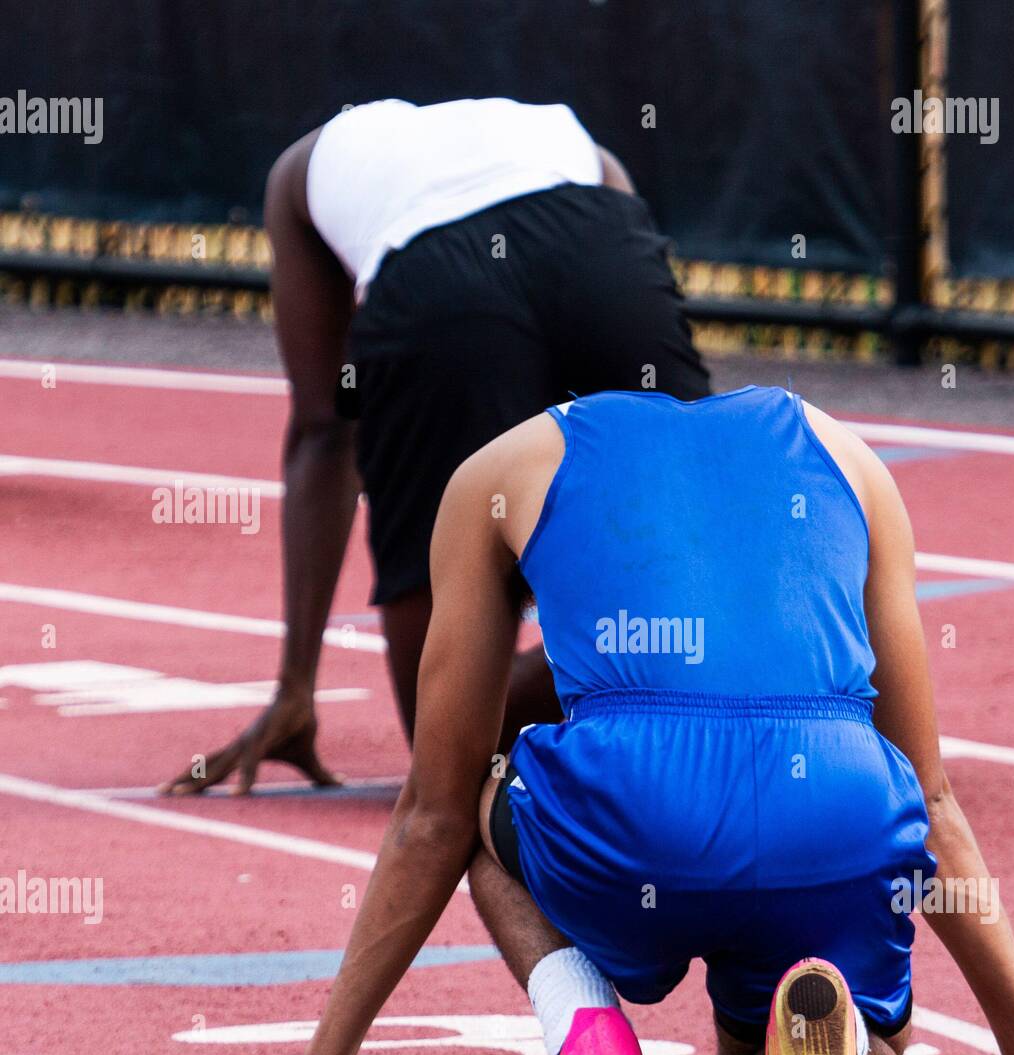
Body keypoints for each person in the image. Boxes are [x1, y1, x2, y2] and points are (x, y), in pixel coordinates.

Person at [175, 386, 1014, 1055]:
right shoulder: (848, 456)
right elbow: (934, 795)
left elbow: (430, 813)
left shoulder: (497, 471)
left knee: (480, 796)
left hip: (628, 821)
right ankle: (828, 1038)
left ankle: (588, 1034)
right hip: (836, 808)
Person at [162, 96, 709, 796]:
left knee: (445, 739)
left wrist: (296, 684)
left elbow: (324, 430)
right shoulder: (571, 140)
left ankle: (610, 675)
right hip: (597, 242)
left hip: (438, 284)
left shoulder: (298, 174)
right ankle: (679, 659)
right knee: (708, 557)